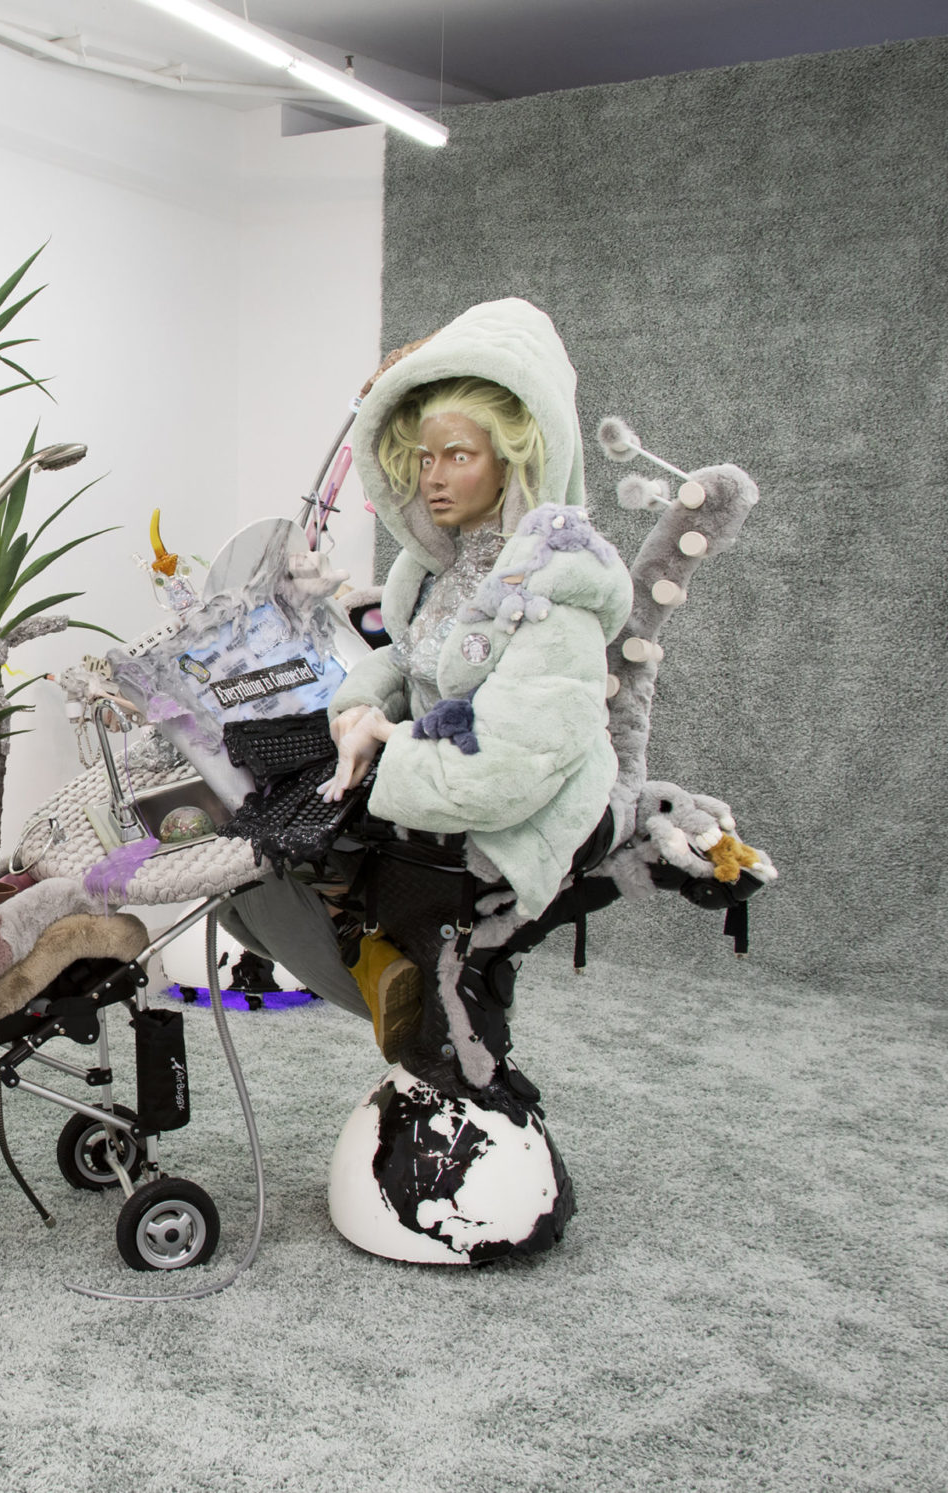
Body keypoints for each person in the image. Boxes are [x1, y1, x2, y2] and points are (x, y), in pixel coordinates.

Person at [322, 296, 632, 1097]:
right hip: (444, 783)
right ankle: (426, 1042)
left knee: (405, 895)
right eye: (424, 459)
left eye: (457, 456)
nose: (432, 478)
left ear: (515, 458)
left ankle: (463, 1070)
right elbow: (410, 663)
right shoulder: (439, 567)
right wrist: (360, 708)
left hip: (526, 810)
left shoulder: (554, 588)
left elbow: (510, 766)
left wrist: (393, 747)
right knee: (308, 857)